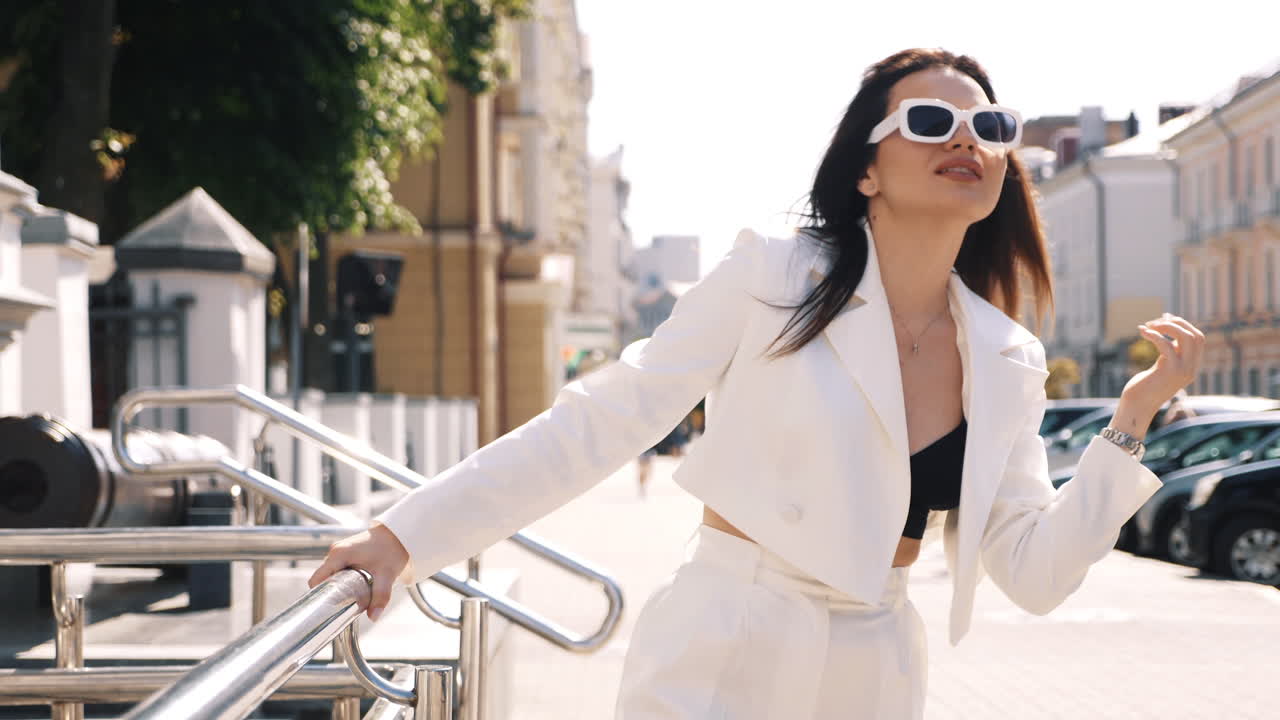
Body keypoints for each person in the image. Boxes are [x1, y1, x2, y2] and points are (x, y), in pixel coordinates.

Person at [309, 48, 1204, 719]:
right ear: (865, 167)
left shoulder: (1008, 355)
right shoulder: (775, 276)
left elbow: (1035, 575)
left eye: (993, 127)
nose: (968, 138)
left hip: (876, 667)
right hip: (726, 639)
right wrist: (402, 539)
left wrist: (1129, 423)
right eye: (932, 121)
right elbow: (602, 421)